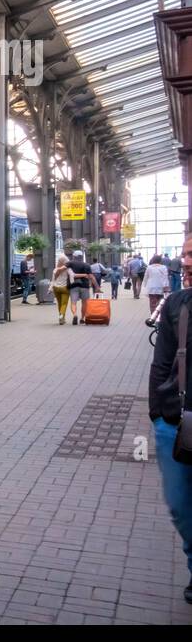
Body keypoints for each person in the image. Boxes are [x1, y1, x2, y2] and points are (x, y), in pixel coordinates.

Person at [146, 233, 192, 605]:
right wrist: (158, 415)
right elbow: (161, 363)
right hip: (177, 421)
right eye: (186, 254)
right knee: (179, 505)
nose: (186, 262)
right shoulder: (177, 303)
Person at [66, 250, 98, 325]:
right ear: (81, 257)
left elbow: (63, 269)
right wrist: (97, 287)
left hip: (73, 285)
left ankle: (75, 315)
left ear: (74, 256)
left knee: (73, 302)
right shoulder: (87, 265)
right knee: (85, 303)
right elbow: (91, 277)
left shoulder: (70, 263)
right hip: (85, 286)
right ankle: (82, 318)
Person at [50, 255, 71, 325]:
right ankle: (61, 315)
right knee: (64, 304)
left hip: (56, 288)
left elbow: (53, 280)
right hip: (65, 288)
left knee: (59, 304)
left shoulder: (55, 270)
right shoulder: (68, 269)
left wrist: (50, 288)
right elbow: (72, 276)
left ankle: (62, 319)